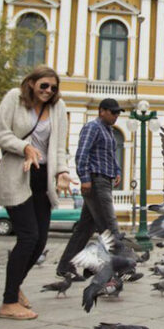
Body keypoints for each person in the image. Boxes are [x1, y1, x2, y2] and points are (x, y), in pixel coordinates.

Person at [0, 66, 74, 320]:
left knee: (39, 242)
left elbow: (58, 145)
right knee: (28, 236)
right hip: (17, 173)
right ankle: (8, 302)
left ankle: (14, 287)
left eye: (53, 88)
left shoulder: (57, 107)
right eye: (44, 86)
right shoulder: (13, 99)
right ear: (31, 83)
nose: (48, 91)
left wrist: (62, 171)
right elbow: (1, 133)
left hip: (43, 177)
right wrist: (25, 147)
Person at [56, 98, 124, 280]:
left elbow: (111, 155)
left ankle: (65, 267)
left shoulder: (109, 131)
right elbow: (82, 154)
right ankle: (119, 268)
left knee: (85, 229)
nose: (116, 115)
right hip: (96, 182)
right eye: (113, 112)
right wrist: (85, 179)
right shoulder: (92, 127)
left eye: (118, 113)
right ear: (102, 111)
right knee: (109, 227)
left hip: (105, 181)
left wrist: (117, 171)